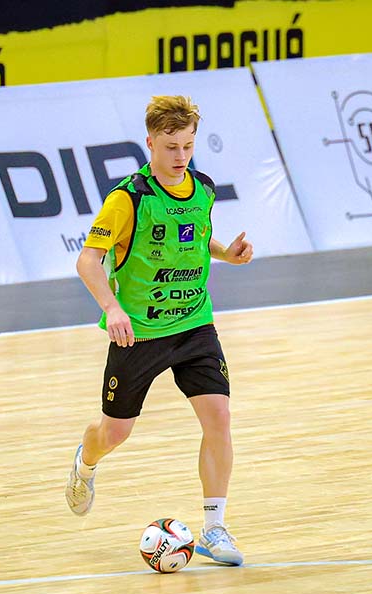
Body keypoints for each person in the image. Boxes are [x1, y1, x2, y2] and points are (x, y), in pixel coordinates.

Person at [64, 95, 253, 566]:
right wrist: (112, 308)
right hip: (139, 334)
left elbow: (195, 239)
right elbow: (88, 260)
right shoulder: (129, 198)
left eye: (188, 146)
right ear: (150, 143)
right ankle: (85, 463)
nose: (180, 156)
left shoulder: (203, 189)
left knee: (219, 418)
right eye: (171, 147)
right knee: (115, 433)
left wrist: (226, 254)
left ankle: (214, 527)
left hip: (194, 324)